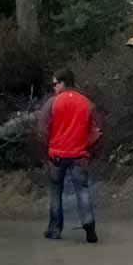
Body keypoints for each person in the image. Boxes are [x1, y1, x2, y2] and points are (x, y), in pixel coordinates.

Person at [41, 66, 100, 243]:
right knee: (82, 190)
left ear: (63, 83)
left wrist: (47, 147)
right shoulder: (86, 103)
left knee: (56, 191)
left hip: (57, 155)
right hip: (79, 155)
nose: (54, 88)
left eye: (55, 84)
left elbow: (42, 129)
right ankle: (88, 223)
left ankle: (55, 229)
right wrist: (87, 147)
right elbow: (95, 133)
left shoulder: (53, 103)